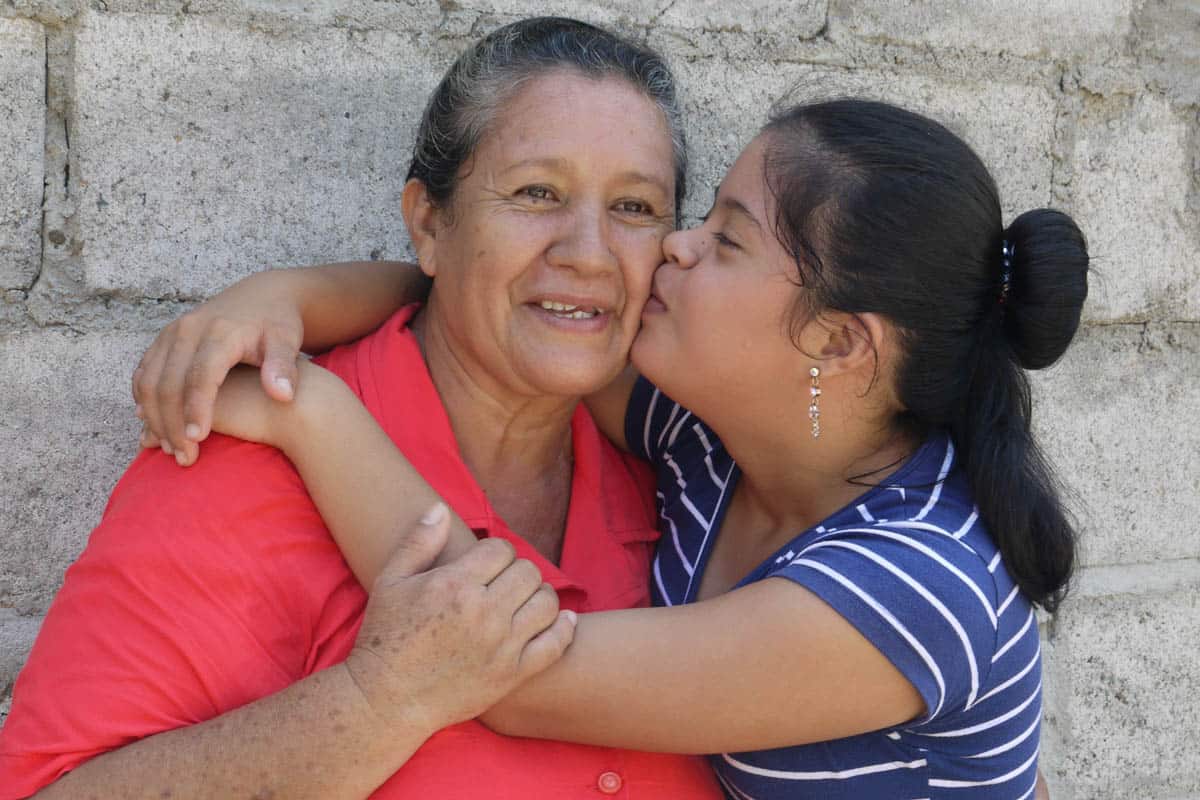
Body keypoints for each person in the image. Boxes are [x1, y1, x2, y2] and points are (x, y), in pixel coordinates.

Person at [130, 98, 1087, 799]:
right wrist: (281, 300)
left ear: (838, 343)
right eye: (697, 215)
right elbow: (485, 300)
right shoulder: (713, 446)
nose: (673, 247)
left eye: (728, 241)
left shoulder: (917, 583)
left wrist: (313, 415)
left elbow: (507, 670)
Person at [0, 17, 724, 800]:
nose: (588, 250)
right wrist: (381, 701)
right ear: (428, 223)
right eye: (536, 193)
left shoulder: (685, 478)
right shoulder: (246, 462)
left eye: (635, 208)